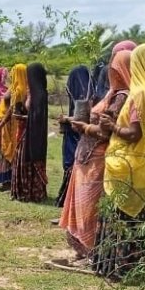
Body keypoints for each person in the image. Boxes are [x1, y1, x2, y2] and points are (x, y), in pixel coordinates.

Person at [93, 43, 145, 279]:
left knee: (118, 218)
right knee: (135, 220)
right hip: (141, 164)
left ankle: (115, 267)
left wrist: (111, 126)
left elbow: (134, 134)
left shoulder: (139, 94)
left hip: (124, 165)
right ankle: (133, 266)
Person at [61, 51, 131, 259]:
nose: (110, 72)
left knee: (89, 208)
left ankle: (92, 251)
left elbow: (104, 132)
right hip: (85, 156)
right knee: (80, 206)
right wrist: (73, 120)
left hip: (97, 157)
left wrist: (84, 127)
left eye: (115, 68)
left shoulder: (121, 97)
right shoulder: (111, 93)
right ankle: (83, 249)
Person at [11, 62, 48, 202]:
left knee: (27, 160)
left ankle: (30, 192)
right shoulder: (36, 92)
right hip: (28, 133)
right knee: (21, 159)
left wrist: (22, 115)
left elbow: (34, 117)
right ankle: (23, 191)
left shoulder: (38, 95)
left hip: (32, 136)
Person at [54, 65, 90, 206]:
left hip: (77, 138)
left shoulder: (83, 97)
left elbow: (81, 119)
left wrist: (66, 119)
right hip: (80, 137)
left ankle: (71, 201)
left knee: (73, 166)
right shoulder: (91, 94)